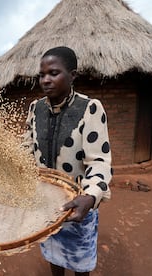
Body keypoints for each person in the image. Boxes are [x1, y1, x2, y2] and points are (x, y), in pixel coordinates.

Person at [22, 46, 112, 276]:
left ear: (72, 75)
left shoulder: (90, 108)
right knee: (53, 252)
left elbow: (100, 160)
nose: (46, 80)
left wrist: (90, 197)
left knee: (79, 259)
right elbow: (25, 149)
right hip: (44, 201)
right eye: (42, 75)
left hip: (77, 203)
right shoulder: (35, 108)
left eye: (54, 73)